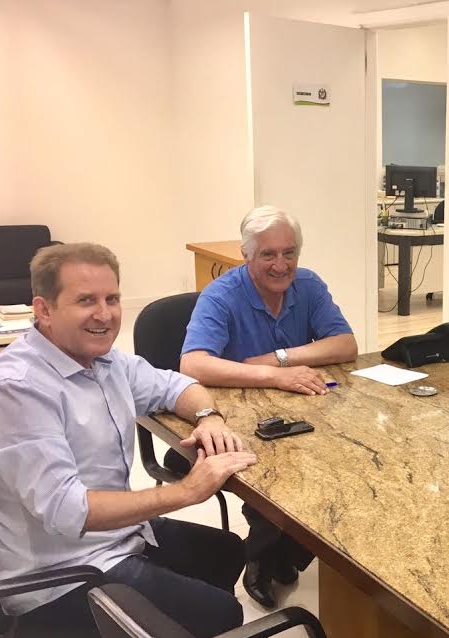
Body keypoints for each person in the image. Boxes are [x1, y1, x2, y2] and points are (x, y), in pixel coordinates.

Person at [0, 243, 258, 638]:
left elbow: (176, 385)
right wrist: (187, 491)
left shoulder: (104, 360)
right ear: (44, 309)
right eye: (86, 300)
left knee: (227, 551)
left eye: (112, 299)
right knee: (222, 612)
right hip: (59, 575)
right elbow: (69, 510)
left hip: (115, 536)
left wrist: (208, 417)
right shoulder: (19, 389)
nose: (105, 315)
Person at [180, 206, 357, 607]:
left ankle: (288, 551)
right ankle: (260, 555)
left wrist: (278, 359)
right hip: (236, 416)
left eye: (289, 252)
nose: (281, 265)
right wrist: (274, 376)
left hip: (304, 409)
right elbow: (192, 364)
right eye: (268, 255)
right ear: (246, 255)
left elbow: (346, 344)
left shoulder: (308, 285)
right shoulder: (221, 295)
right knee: (273, 471)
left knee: (343, 462)